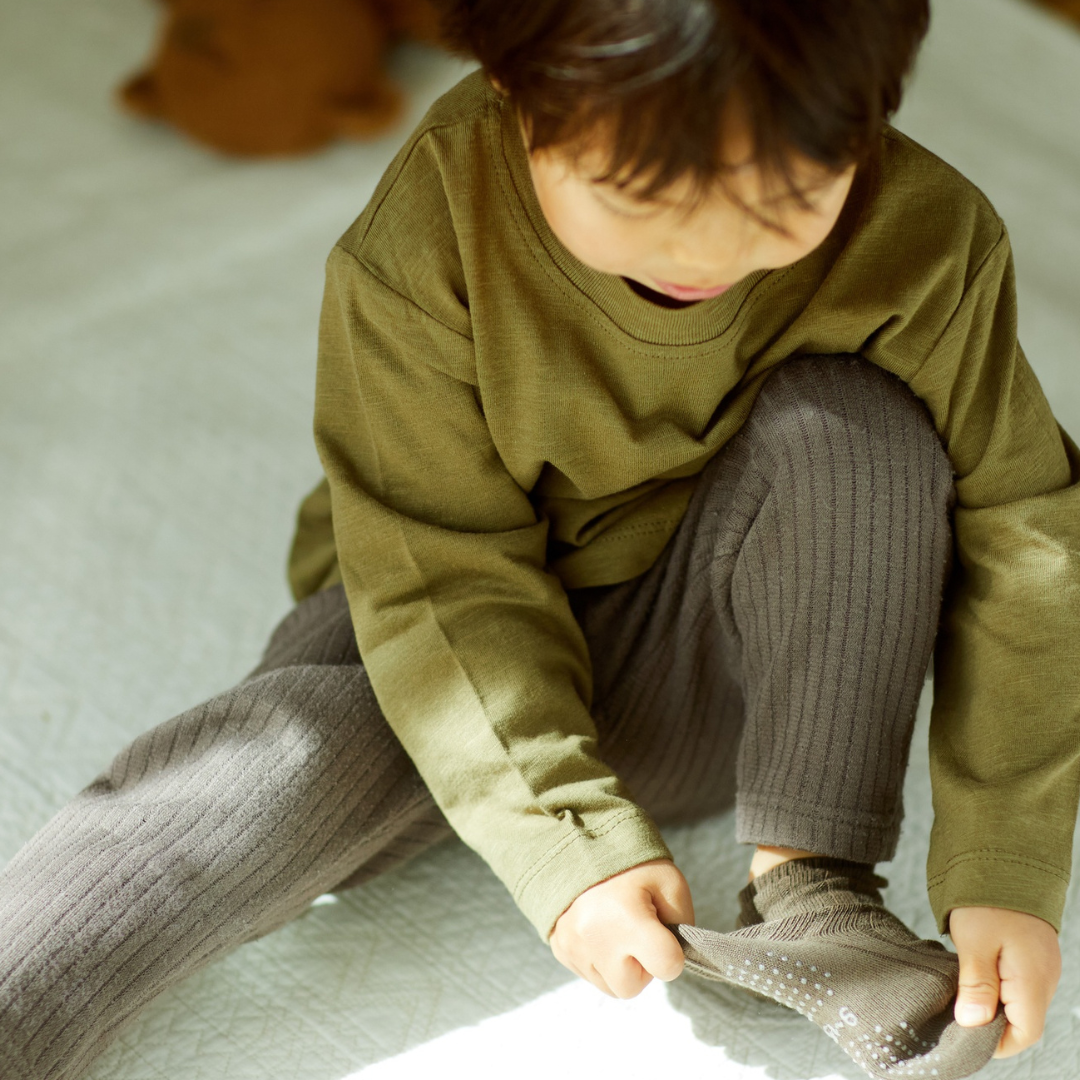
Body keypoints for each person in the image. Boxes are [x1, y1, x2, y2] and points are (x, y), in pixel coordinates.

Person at [0, 2, 1075, 1078]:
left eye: (787, 197)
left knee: (859, 433)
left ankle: (812, 891)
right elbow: (439, 572)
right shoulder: (429, 236)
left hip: (719, 680)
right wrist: (566, 842)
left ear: (871, 117)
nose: (711, 249)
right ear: (518, 96)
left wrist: (1004, 864)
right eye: (642, 197)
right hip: (438, 668)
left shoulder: (931, 236)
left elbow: (1027, 535)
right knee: (283, 752)